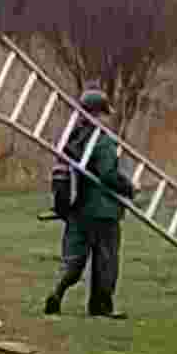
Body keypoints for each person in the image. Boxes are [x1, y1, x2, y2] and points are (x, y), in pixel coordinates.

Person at [42, 86, 129, 318]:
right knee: (106, 260)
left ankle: (57, 292)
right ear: (99, 112)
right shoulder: (102, 141)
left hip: (76, 209)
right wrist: (130, 188)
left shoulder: (72, 137)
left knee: (73, 259)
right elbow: (108, 175)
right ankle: (101, 307)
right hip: (103, 212)